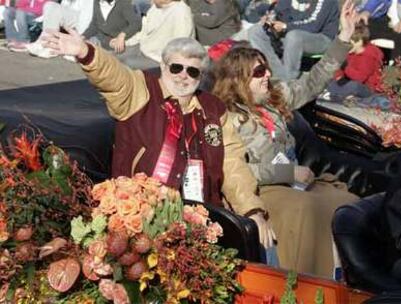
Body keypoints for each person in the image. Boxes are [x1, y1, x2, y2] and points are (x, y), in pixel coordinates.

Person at [41, 34, 277, 264]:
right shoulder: (141, 90)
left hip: (200, 220)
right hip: (138, 220)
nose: (183, 76)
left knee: (264, 244)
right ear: (163, 66)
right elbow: (113, 76)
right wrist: (85, 52)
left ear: (200, 76)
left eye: (192, 71)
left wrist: (253, 210)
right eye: (177, 68)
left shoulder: (213, 109)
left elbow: (232, 163)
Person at [211, 0, 359, 277]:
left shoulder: (274, 98)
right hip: (260, 189)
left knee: (347, 203)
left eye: (266, 69)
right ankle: (303, 284)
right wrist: (287, 171)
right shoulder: (226, 118)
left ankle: (341, 279)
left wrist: (343, 38)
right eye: (258, 72)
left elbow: (313, 82)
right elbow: (234, 171)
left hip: (295, 183)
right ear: (237, 79)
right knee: (306, 209)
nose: (268, 75)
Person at [245, 0, 340, 81]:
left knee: (294, 36)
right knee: (256, 31)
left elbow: (313, 25)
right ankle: (276, 75)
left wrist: (285, 26)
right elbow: (280, 13)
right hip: (291, 36)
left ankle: (290, 79)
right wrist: (271, 20)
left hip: (322, 39)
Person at [120, 0, 195, 70]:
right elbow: (143, 34)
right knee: (113, 56)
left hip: (159, 59)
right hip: (144, 48)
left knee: (125, 64)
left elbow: (180, 45)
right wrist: (125, 43)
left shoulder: (181, 12)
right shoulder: (155, 8)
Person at [326, 21, 384, 100]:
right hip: (348, 80)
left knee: (354, 86)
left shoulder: (369, 56)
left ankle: (335, 94)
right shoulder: (351, 52)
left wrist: (344, 66)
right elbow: (339, 69)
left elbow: (360, 78)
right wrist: (338, 76)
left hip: (367, 87)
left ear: (359, 42)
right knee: (329, 78)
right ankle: (336, 92)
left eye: (349, 42)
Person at [26, 0, 94, 59]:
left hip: (82, 23)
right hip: (69, 23)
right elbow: (59, 10)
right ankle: (44, 41)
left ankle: (48, 45)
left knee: (53, 7)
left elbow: (86, 18)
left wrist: (80, 40)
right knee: (50, 5)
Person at [358, 0, 401, 66]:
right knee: (362, 25)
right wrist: (366, 11)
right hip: (388, 22)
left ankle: (398, 69)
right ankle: (356, 64)